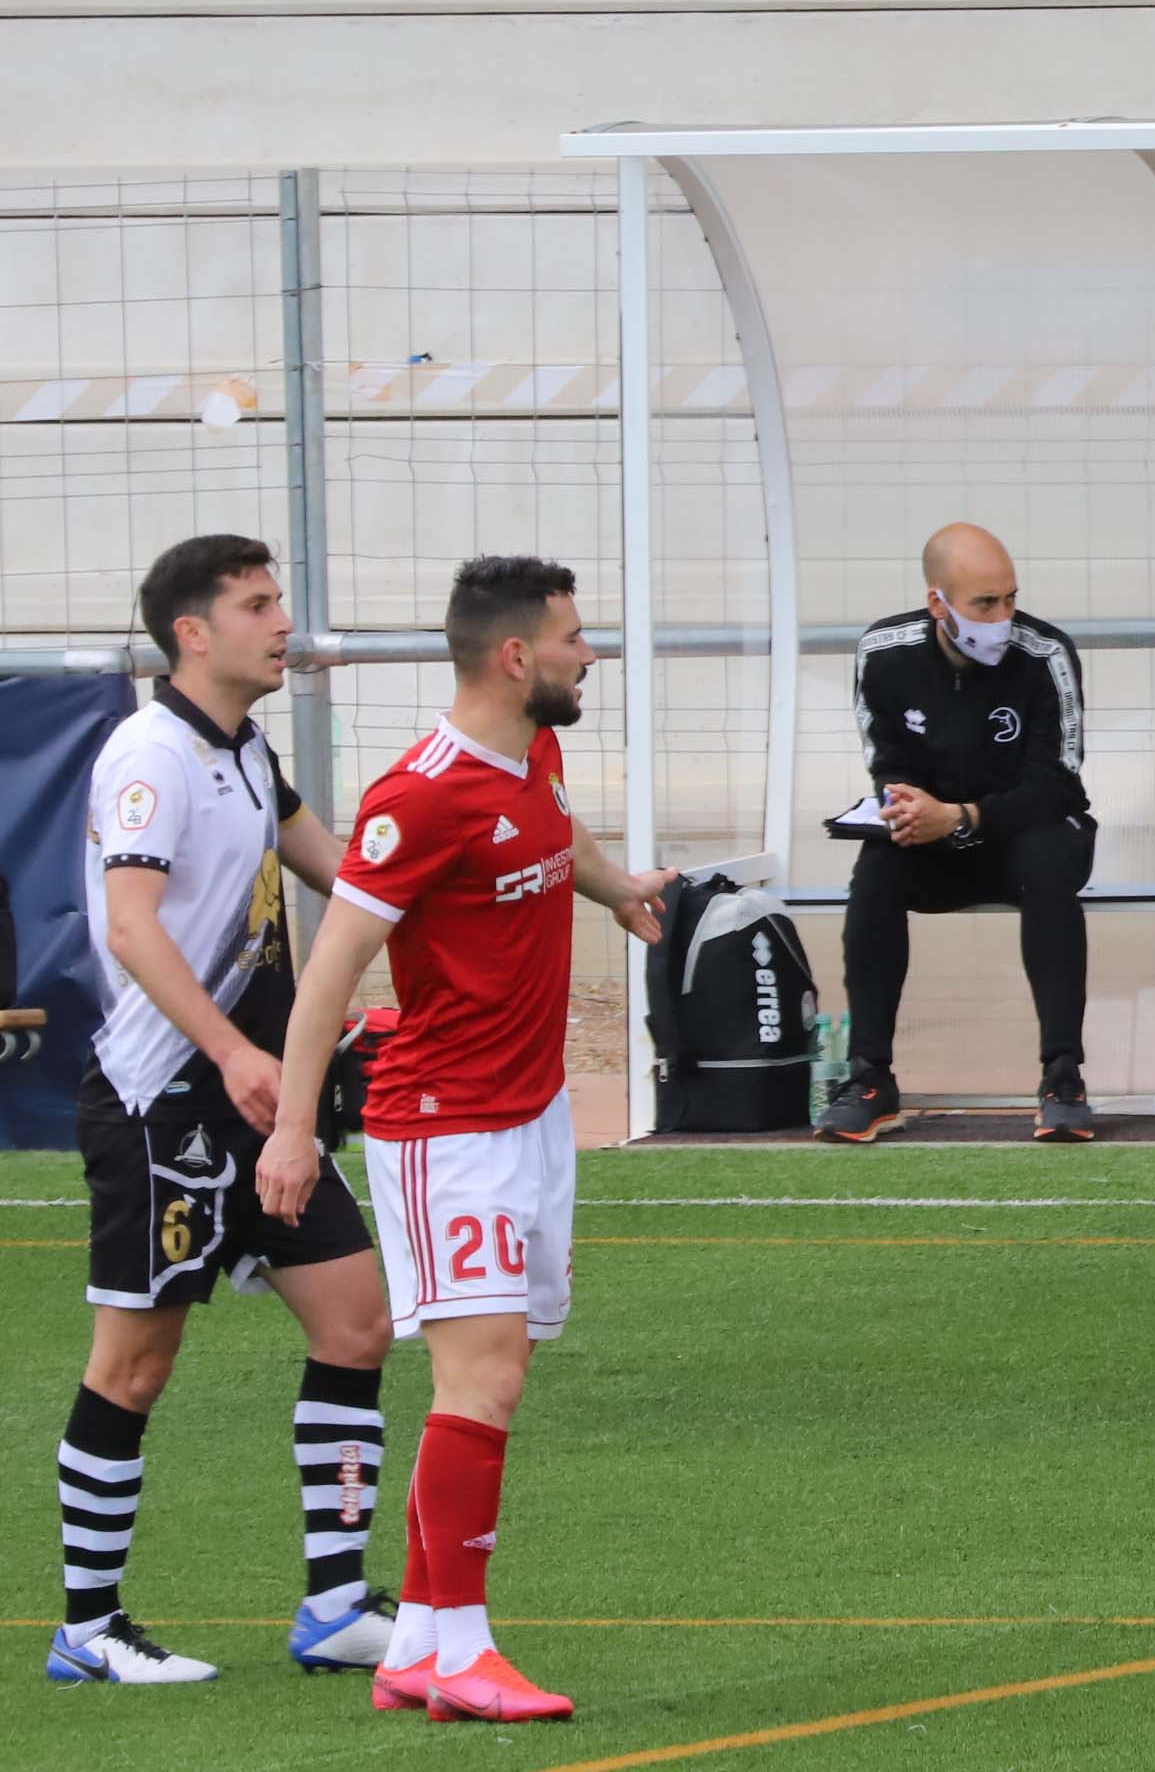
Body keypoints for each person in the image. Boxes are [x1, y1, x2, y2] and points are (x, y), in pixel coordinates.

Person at [262, 556, 670, 1722]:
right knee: (475, 1380)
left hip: (534, 1113)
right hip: (450, 1132)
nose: (588, 652)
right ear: (514, 656)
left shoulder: (532, 752)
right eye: (574, 636)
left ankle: (423, 1649)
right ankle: (464, 1651)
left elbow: (557, 835)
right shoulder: (419, 798)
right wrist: (297, 1130)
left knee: (498, 1373)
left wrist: (617, 889)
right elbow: (331, 965)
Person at [47, 536, 395, 1688]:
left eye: (278, 598)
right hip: (166, 1104)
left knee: (356, 1321)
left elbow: (341, 875)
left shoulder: (246, 747)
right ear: (193, 632)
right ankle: (89, 1627)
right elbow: (133, 926)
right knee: (134, 1365)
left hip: (258, 1100)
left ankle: (337, 1605)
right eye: (258, 604)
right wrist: (235, 1047)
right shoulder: (148, 753)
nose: (283, 620)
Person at [813, 523, 1096, 1145]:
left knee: (1049, 855)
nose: (1003, 617)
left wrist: (964, 816)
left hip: (1025, 835)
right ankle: (869, 1079)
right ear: (937, 601)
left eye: (1010, 598)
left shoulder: (1046, 653)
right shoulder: (883, 652)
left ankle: (1063, 1076)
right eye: (984, 603)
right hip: (938, 841)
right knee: (877, 868)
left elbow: (1057, 783)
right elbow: (887, 761)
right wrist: (912, 809)